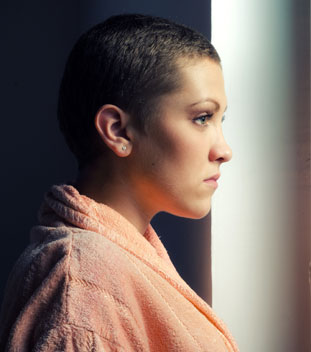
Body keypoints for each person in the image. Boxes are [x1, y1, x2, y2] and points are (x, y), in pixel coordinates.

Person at [0, 14, 239, 351]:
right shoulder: (81, 284)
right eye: (201, 118)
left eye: (220, 119)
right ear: (118, 131)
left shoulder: (103, 264)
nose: (224, 150)